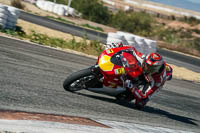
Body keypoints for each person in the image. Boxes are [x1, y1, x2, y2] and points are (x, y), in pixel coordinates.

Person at [101, 42, 173, 109]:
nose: (147, 68)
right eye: (147, 65)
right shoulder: (143, 58)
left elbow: (143, 97)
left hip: (154, 82)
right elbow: (131, 49)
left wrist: (131, 86)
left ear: (156, 69)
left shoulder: (157, 81)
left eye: (151, 68)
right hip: (148, 70)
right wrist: (118, 46)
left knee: (140, 104)